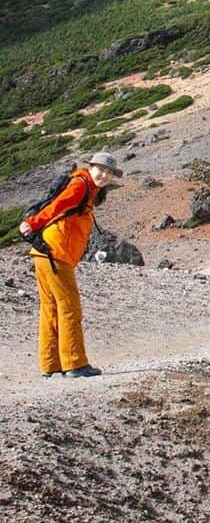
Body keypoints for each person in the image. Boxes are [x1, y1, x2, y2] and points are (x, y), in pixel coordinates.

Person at [19, 151, 123, 379]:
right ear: (91, 167)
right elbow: (58, 206)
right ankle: (75, 364)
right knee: (70, 308)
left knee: (51, 308)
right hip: (55, 253)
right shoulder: (80, 186)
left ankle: (51, 364)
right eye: (101, 170)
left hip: (44, 252)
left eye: (109, 173)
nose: (104, 176)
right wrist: (32, 223)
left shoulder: (86, 187)